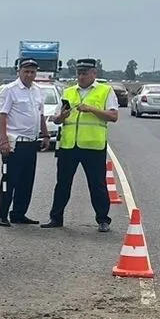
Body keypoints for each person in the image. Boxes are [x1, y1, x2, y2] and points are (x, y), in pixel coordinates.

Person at [44, 58, 120, 231]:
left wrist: (91, 109)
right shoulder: (68, 92)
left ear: (94, 74)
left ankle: (103, 220)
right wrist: (61, 117)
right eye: (79, 73)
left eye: (85, 73)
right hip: (69, 146)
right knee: (62, 184)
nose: (81, 77)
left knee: (97, 184)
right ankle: (56, 218)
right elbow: (56, 119)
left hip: (93, 146)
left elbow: (114, 116)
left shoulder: (105, 91)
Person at [0, 58, 51, 226]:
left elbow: (40, 115)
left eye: (33, 72)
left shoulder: (37, 91)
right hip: (14, 143)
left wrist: (45, 135)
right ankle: (2, 214)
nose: (29, 74)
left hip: (31, 142)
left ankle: (18, 213)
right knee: (9, 180)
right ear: (19, 71)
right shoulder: (9, 90)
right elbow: (2, 115)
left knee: (26, 181)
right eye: (26, 71)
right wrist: (3, 140)